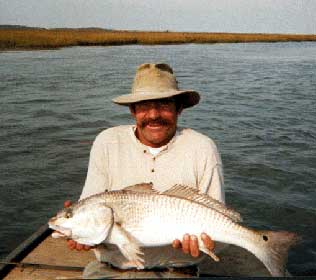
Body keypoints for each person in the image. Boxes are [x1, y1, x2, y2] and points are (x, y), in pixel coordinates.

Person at [67, 63, 225, 276]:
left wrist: (208, 242)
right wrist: (81, 233)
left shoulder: (203, 147)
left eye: (164, 104)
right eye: (143, 105)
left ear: (179, 108)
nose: (153, 114)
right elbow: (92, 205)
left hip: (176, 271)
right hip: (109, 268)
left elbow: (218, 219)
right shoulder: (106, 142)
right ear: (132, 110)